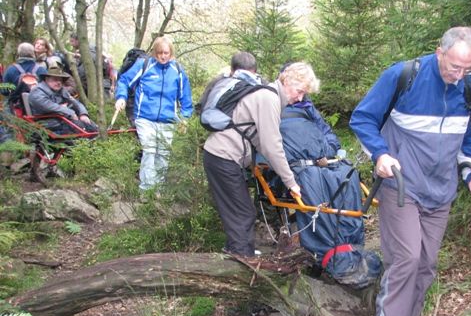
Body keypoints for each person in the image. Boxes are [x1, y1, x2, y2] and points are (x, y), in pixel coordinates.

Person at [349, 26, 471, 316]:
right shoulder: (404, 76)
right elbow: (362, 118)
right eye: (454, 66)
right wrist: (380, 154)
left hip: (440, 191)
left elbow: (469, 145)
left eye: (468, 68)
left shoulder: (470, 91)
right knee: (407, 258)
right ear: (439, 52)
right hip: (401, 186)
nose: (459, 75)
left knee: (426, 265)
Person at [201, 61, 316, 259]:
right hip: (222, 157)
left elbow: (261, 142)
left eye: (304, 93)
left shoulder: (269, 96)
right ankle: (242, 259)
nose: (300, 97)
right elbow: (272, 145)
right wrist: (291, 182)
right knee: (243, 212)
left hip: (222, 158)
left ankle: (238, 253)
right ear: (287, 80)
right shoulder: (268, 98)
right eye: (299, 91)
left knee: (240, 211)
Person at [115, 36, 193, 191]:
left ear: (171, 53)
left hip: (168, 119)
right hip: (145, 117)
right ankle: (146, 190)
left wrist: (184, 118)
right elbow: (124, 81)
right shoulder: (144, 65)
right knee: (149, 151)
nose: (162, 56)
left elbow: (185, 97)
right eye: (159, 53)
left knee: (163, 155)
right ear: (154, 53)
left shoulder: (177, 70)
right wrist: (121, 97)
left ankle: (158, 191)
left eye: (166, 53)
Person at [28, 65, 99, 135]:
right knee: (78, 125)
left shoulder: (62, 90)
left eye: (60, 80)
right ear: (46, 79)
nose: (59, 82)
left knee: (89, 124)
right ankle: (86, 142)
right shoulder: (37, 92)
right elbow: (48, 106)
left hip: (62, 118)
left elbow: (75, 102)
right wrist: (69, 112)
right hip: (45, 121)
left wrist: (83, 114)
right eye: (55, 79)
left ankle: (98, 137)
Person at [1, 43, 47, 115]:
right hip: (39, 109)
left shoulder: (10, 69)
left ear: (19, 54)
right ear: (33, 53)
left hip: (16, 110)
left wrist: (13, 87)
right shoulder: (42, 70)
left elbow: (4, 91)